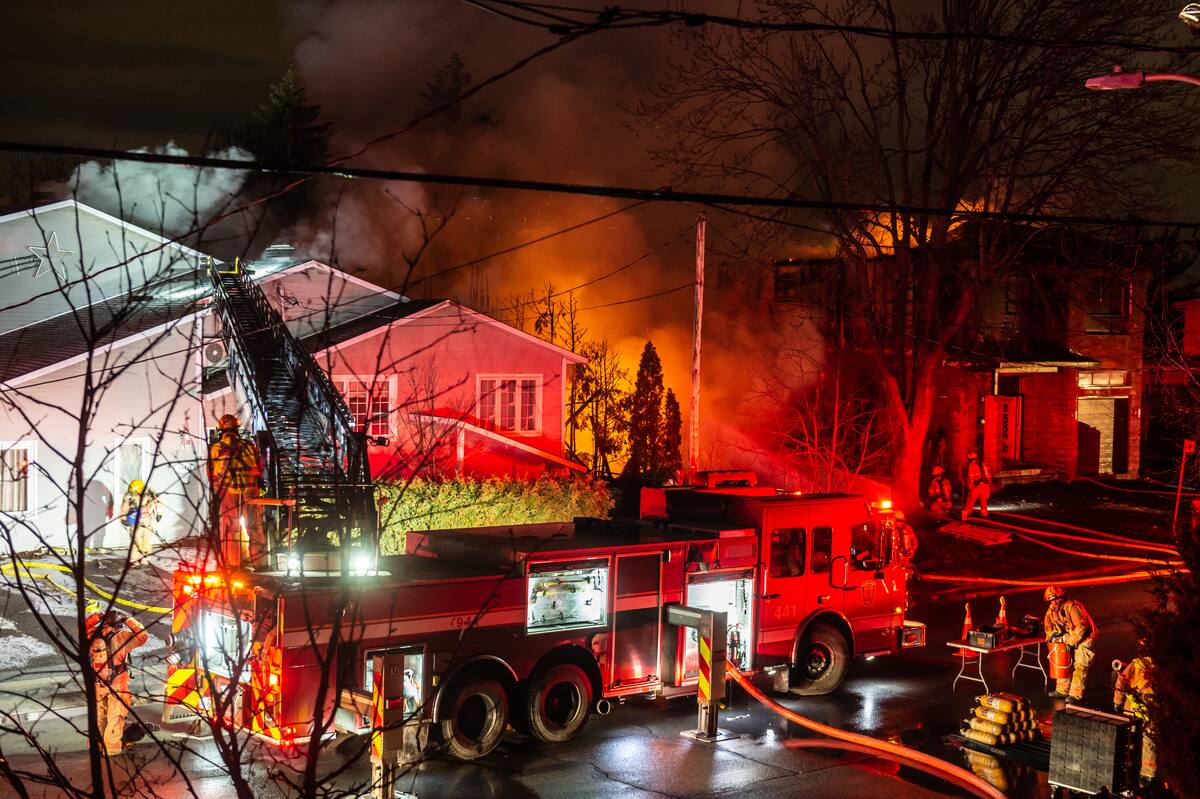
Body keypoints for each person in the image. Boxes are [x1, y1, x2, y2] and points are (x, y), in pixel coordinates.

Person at [88, 610, 149, 756]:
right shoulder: (121, 637)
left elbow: (80, 629)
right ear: (117, 624)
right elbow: (143, 636)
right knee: (116, 716)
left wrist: (96, 617)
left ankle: (96, 747)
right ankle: (112, 749)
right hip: (117, 684)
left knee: (98, 716)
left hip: (96, 683)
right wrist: (128, 620)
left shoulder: (91, 636)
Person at [207, 414, 265, 565]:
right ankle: (261, 564)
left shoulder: (215, 449)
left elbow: (211, 475)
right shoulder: (249, 446)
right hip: (250, 492)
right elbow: (259, 468)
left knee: (230, 529)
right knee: (254, 527)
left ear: (221, 431)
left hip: (228, 493)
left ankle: (233, 564)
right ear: (237, 430)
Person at [1044, 585, 1099, 702]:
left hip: (1085, 638)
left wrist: (1070, 642)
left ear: (1062, 596)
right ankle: (1062, 690)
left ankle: (1075, 694)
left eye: (1055, 599)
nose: (1054, 602)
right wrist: (1051, 638)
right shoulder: (1051, 610)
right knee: (1062, 662)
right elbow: (1049, 627)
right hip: (1071, 636)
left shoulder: (1073, 607)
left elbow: (1082, 627)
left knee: (1080, 665)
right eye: (1051, 600)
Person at [1113, 652, 1156, 782]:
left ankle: (1126, 767)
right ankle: (1148, 773)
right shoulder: (1166, 667)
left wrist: (1117, 702)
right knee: (1149, 740)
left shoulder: (1137, 663)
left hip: (1133, 709)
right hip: (1152, 710)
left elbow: (1122, 681)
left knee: (1129, 738)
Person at [118, 480, 160, 560]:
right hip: (134, 521)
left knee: (146, 540)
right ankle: (134, 560)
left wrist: (159, 515)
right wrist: (123, 518)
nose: (134, 494)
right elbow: (124, 506)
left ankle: (145, 559)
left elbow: (157, 505)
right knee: (135, 541)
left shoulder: (150, 495)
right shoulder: (129, 495)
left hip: (147, 522)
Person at [961, 452, 992, 521]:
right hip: (985, 486)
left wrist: (969, 488)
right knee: (983, 503)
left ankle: (965, 517)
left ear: (969, 459)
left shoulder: (972, 466)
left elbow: (971, 479)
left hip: (977, 487)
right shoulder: (982, 464)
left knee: (969, 502)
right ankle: (984, 516)